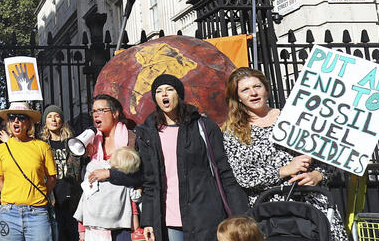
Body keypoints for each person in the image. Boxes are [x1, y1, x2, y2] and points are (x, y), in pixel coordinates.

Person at [221, 67, 348, 241]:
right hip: (272, 212)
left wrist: (317, 175)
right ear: (238, 97)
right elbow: (244, 177)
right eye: (245, 90)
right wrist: (284, 170)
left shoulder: (295, 117)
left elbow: (328, 157)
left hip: (313, 203)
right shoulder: (233, 132)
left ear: (266, 89)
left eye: (257, 86)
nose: (253, 93)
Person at [136, 74, 248, 241]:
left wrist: (241, 214)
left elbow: (223, 171)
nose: (164, 94)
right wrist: (148, 221)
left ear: (179, 95)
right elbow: (150, 181)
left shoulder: (203, 126)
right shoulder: (149, 132)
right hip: (169, 219)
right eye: (159, 91)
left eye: (169, 90)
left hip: (205, 215)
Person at [74, 94, 142, 241]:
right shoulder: (92, 141)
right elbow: (86, 183)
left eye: (101, 110)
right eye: (94, 111)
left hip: (122, 219)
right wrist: (86, 157)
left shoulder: (132, 139)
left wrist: (109, 174)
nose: (96, 115)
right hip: (96, 218)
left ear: (115, 113)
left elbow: (140, 177)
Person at [0, 102, 56, 241]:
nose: (16, 121)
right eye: (11, 117)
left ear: (29, 123)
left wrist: (38, 196)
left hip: (37, 213)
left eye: (21, 117)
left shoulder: (42, 147)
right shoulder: (1, 149)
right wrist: (12, 197)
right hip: (9, 213)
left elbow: (52, 178)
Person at [74, 146, 142, 241]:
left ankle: (82, 235)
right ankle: (136, 229)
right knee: (132, 205)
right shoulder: (125, 183)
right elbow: (135, 197)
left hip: (91, 219)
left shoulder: (97, 173)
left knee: (84, 201)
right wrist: (139, 189)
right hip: (113, 222)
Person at [39, 105, 81, 241]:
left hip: (71, 197)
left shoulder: (72, 143)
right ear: (45, 121)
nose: (53, 120)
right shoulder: (42, 145)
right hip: (52, 198)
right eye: (49, 116)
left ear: (62, 120)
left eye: (56, 116)